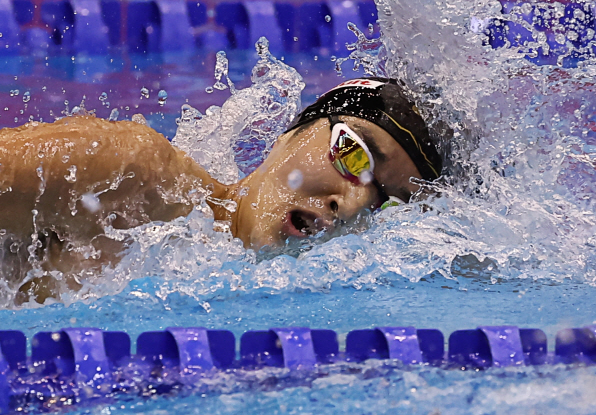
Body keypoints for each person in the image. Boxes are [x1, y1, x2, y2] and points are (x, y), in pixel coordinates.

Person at [0, 77, 443, 303]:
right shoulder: (133, 174)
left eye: (386, 203)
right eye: (355, 155)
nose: (353, 202)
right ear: (291, 134)